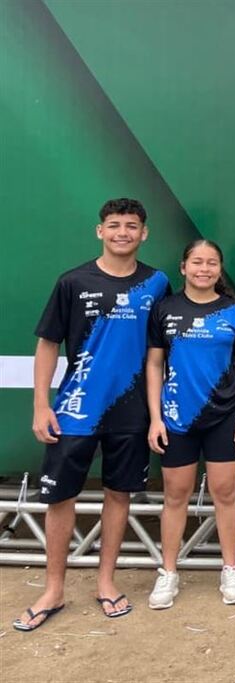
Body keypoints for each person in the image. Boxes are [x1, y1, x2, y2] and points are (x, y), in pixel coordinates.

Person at [14, 199, 171, 632]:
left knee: (118, 494)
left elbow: (161, 349)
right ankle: (53, 590)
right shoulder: (71, 282)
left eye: (132, 226)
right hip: (74, 410)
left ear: (145, 234)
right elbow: (48, 343)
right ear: (99, 231)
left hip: (132, 412)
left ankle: (106, 583)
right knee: (60, 497)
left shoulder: (158, 283)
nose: (123, 232)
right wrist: (41, 404)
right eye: (115, 225)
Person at [145, 239, 235, 609]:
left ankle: (230, 568)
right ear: (183, 267)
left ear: (219, 270)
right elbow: (154, 365)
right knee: (176, 495)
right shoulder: (165, 309)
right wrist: (155, 419)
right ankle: (168, 573)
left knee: (225, 493)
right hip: (176, 419)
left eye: (211, 263)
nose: (204, 269)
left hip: (225, 417)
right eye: (197, 262)